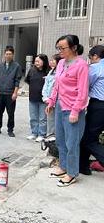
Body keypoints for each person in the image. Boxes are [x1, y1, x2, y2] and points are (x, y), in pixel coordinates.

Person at [46, 35, 89, 187]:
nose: (60, 51)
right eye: (58, 48)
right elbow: (57, 85)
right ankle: (63, 167)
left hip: (73, 109)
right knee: (60, 141)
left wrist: (76, 111)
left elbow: (83, 92)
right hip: (59, 105)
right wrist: (51, 101)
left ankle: (72, 173)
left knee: (72, 143)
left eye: (62, 48)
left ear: (74, 48)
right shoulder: (61, 63)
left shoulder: (81, 65)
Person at [79, 45, 104, 175]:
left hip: (99, 106)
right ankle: (83, 167)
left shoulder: (96, 67)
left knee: (89, 139)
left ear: (95, 56)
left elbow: (86, 85)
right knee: (87, 136)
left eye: (90, 57)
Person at [0, 46, 22, 137]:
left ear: (13, 55)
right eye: (6, 54)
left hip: (10, 94)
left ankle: (10, 130)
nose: (8, 55)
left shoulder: (17, 66)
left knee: (10, 113)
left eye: (10, 54)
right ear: (4, 54)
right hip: (0, 93)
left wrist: (15, 93)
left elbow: (17, 81)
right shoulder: (0, 66)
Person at [25, 54, 50, 142]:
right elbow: (27, 80)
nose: (36, 63)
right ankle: (34, 133)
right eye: (35, 61)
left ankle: (41, 134)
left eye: (38, 61)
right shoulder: (32, 70)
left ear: (44, 61)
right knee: (33, 117)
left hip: (43, 99)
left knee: (42, 118)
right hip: (32, 98)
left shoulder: (48, 71)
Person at [42, 54, 62, 136]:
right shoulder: (51, 71)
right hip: (48, 99)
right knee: (50, 119)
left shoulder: (60, 72)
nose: (51, 62)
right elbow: (46, 85)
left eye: (53, 60)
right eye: (50, 60)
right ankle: (49, 136)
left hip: (56, 100)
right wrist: (45, 96)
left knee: (57, 120)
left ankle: (55, 137)